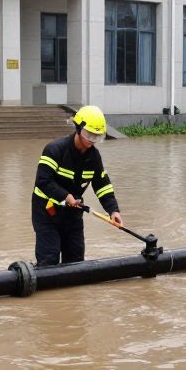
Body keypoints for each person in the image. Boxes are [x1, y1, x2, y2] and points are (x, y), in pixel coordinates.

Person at [32, 105, 121, 267]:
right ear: (78, 128)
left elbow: (102, 186)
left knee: (75, 261)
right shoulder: (55, 150)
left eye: (97, 137)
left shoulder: (94, 157)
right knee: (49, 260)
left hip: (73, 212)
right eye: (89, 135)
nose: (91, 141)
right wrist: (65, 196)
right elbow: (43, 181)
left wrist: (113, 210)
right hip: (47, 210)